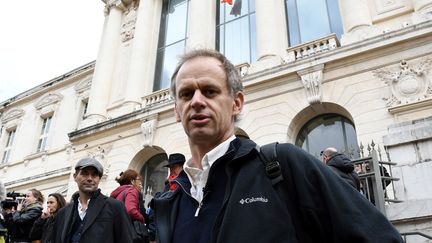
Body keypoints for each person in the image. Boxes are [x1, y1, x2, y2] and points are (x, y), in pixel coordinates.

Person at [153, 49, 403, 243]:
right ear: (176, 110)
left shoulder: (282, 166)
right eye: (186, 94)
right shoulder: (170, 202)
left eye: (209, 91)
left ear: (236, 103)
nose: (196, 101)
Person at [52, 157, 134, 243]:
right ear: (75, 176)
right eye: (84, 173)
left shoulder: (115, 207)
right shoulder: (63, 213)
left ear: (99, 178)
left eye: (94, 175)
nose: (90, 178)